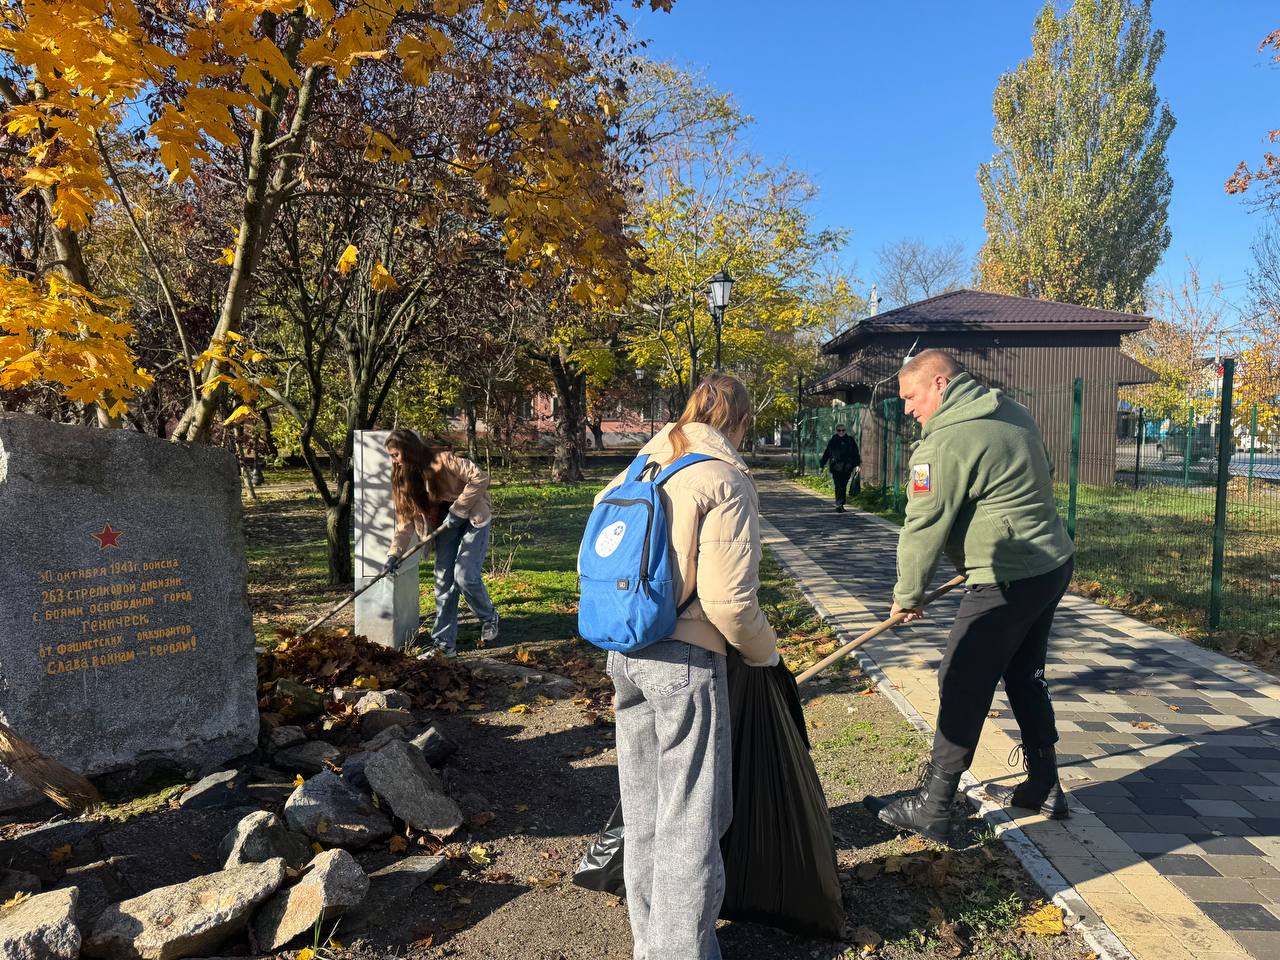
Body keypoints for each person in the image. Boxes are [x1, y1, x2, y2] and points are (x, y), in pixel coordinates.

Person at [598, 373, 779, 960]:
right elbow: (728, 602)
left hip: (625, 652)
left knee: (645, 811)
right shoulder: (724, 480)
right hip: (685, 659)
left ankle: (650, 943)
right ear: (740, 421)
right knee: (692, 819)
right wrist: (766, 653)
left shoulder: (639, 469)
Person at [864, 350, 1076, 844]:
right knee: (1024, 673)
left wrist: (908, 594)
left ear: (940, 384)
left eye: (911, 397)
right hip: (1051, 564)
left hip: (1005, 577)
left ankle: (934, 807)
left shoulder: (945, 443)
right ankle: (1044, 785)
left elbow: (923, 525)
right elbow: (1038, 472)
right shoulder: (1011, 409)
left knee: (960, 677)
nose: (908, 409)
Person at [383, 428, 499, 658]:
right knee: (443, 582)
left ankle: (488, 616)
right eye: (391, 456)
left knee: (464, 576)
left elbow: (480, 477)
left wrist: (459, 509)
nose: (393, 461)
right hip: (444, 527)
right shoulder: (402, 479)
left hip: (472, 518)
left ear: (409, 450)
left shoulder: (443, 460)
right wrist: (394, 554)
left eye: (396, 455)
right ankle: (444, 646)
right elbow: (405, 523)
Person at [818, 422, 861, 512]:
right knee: (838, 485)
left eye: (843, 430)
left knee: (844, 485)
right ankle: (839, 504)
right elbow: (827, 453)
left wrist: (857, 465)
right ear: (836, 431)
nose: (841, 432)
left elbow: (855, 453)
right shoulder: (833, 441)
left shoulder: (850, 440)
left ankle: (841, 503)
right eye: (839, 430)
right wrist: (822, 465)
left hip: (847, 467)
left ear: (845, 431)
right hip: (836, 467)